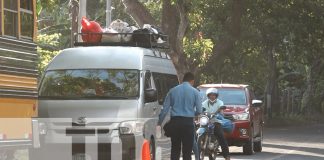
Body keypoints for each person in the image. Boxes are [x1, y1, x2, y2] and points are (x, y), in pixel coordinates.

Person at [157, 72, 202, 160]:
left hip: (175, 123)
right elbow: (199, 110)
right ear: (192, 81)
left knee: (175, 149)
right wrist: (193, 113)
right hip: (188, 123)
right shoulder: (195, 92)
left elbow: (164, 110)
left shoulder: (173, 91)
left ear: (182, 80)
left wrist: (159, 123)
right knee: (187, 151)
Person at [201, 88, 230, 160]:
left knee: (221, 137)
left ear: (216, 96)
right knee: (197, 132)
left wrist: (219, 114)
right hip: (206, 122)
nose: (212, 96)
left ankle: (227, 156)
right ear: (208, 96)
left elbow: (221, 111)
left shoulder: (220, 102)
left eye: (214, 95)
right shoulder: (204, 103)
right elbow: (201, 110)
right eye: (210, 95)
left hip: (216, 122)